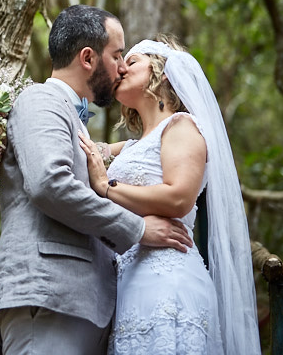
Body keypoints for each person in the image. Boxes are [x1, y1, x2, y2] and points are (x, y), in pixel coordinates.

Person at [0, 5, 194, 355]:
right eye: (117, 54)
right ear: (87, 58)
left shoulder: (70, 116)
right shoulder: (41, 100)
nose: (123, 66)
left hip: (80, 304)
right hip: (48, 295)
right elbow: (50, 184)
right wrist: (138, 229)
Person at [78, 35, 262, 355]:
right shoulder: (135, 145)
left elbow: (179, 198)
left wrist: (107, 186)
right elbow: (88, 150)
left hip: (168, 279)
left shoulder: (182, 126)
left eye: (131, 61)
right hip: (130, 280)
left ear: (162, 73)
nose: (121, 69)